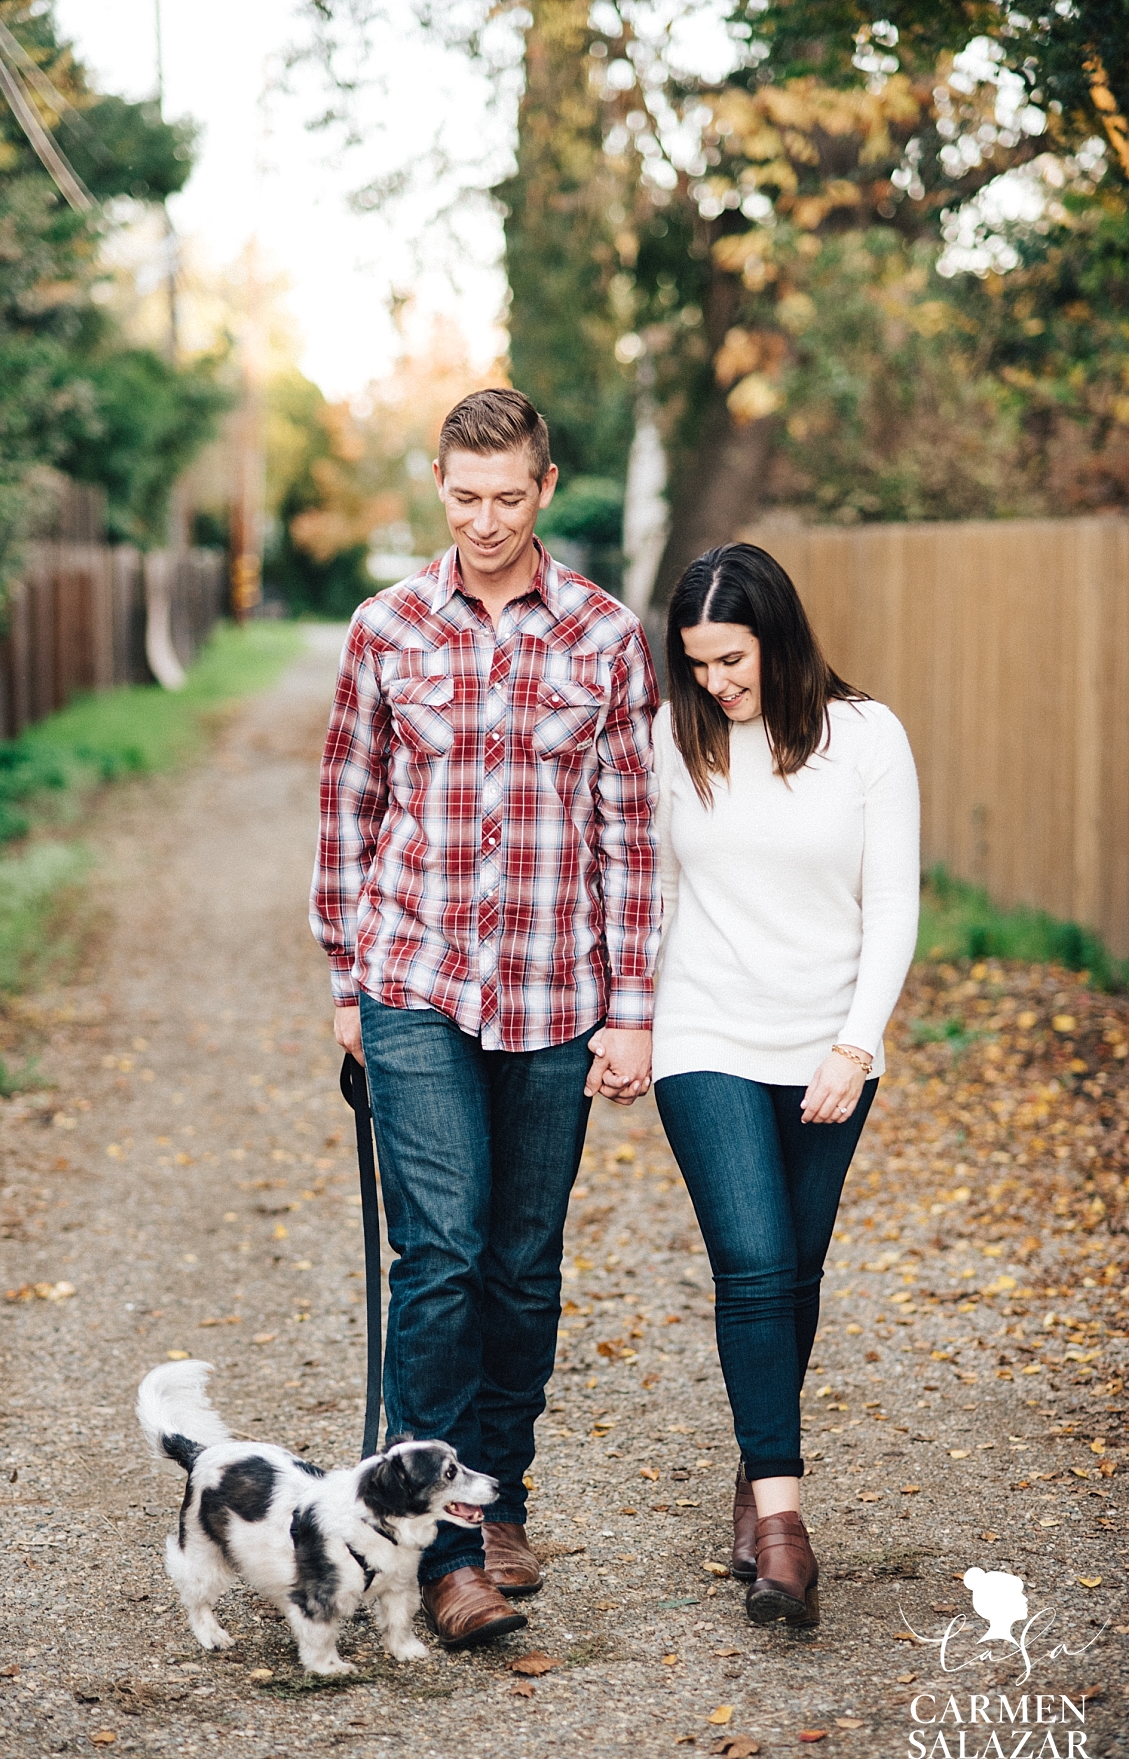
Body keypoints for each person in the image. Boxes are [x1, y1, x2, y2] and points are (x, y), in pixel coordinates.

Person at [311, 388, 659, 1649]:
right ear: (440, 484)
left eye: (510, 497)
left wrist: (633, 1008)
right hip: (416, 981)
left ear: (547, 486)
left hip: (560, 989)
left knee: (522, 1262)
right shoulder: (385, 628)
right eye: (465, 497)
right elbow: (348, 807)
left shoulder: (607, 637)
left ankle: (499, 1489)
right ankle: (442, 1542)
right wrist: (350, 979)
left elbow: (630, 831)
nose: (487, 520)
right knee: (443, 1255)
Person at [650, 542, 920, 1627]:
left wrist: (856, 1044)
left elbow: (892, 902)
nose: (715, 682)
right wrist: (626, 1020)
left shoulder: (867, 739)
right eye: (697, 663)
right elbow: (651, 893)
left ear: (779, 636)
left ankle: (754, 1476)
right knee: (755, 1263)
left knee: (797, 1273)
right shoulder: (671, 738)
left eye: (731, 658)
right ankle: (785, 1532)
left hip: (828, 1044)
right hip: (704, 1033)